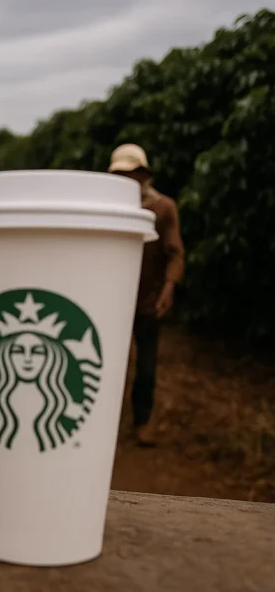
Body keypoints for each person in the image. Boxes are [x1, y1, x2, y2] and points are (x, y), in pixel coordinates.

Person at [109, 143, 185, 447]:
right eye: (121, 175)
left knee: (146, 366)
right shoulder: (109, 210)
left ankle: (142, 420)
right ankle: (105, 420)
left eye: (132, 174)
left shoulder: (163, 208)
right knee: (109, 362)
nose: (128, 180)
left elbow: (175, 252)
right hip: (113, 300)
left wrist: (169, 286)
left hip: (147, 300)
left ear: (144, 174)